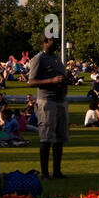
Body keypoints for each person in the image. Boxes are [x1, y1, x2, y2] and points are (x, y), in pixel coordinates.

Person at [26, 35, 69, 181]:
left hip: (61, 101)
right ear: (45, 42)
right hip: (47, 101)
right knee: (46, 138)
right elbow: (31, 82)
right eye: (52, 40)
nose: (56, 42)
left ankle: (57, 172)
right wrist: (52, 80)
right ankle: (45, 174)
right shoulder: (38, 59)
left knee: (59, 138)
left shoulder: (57, 58)